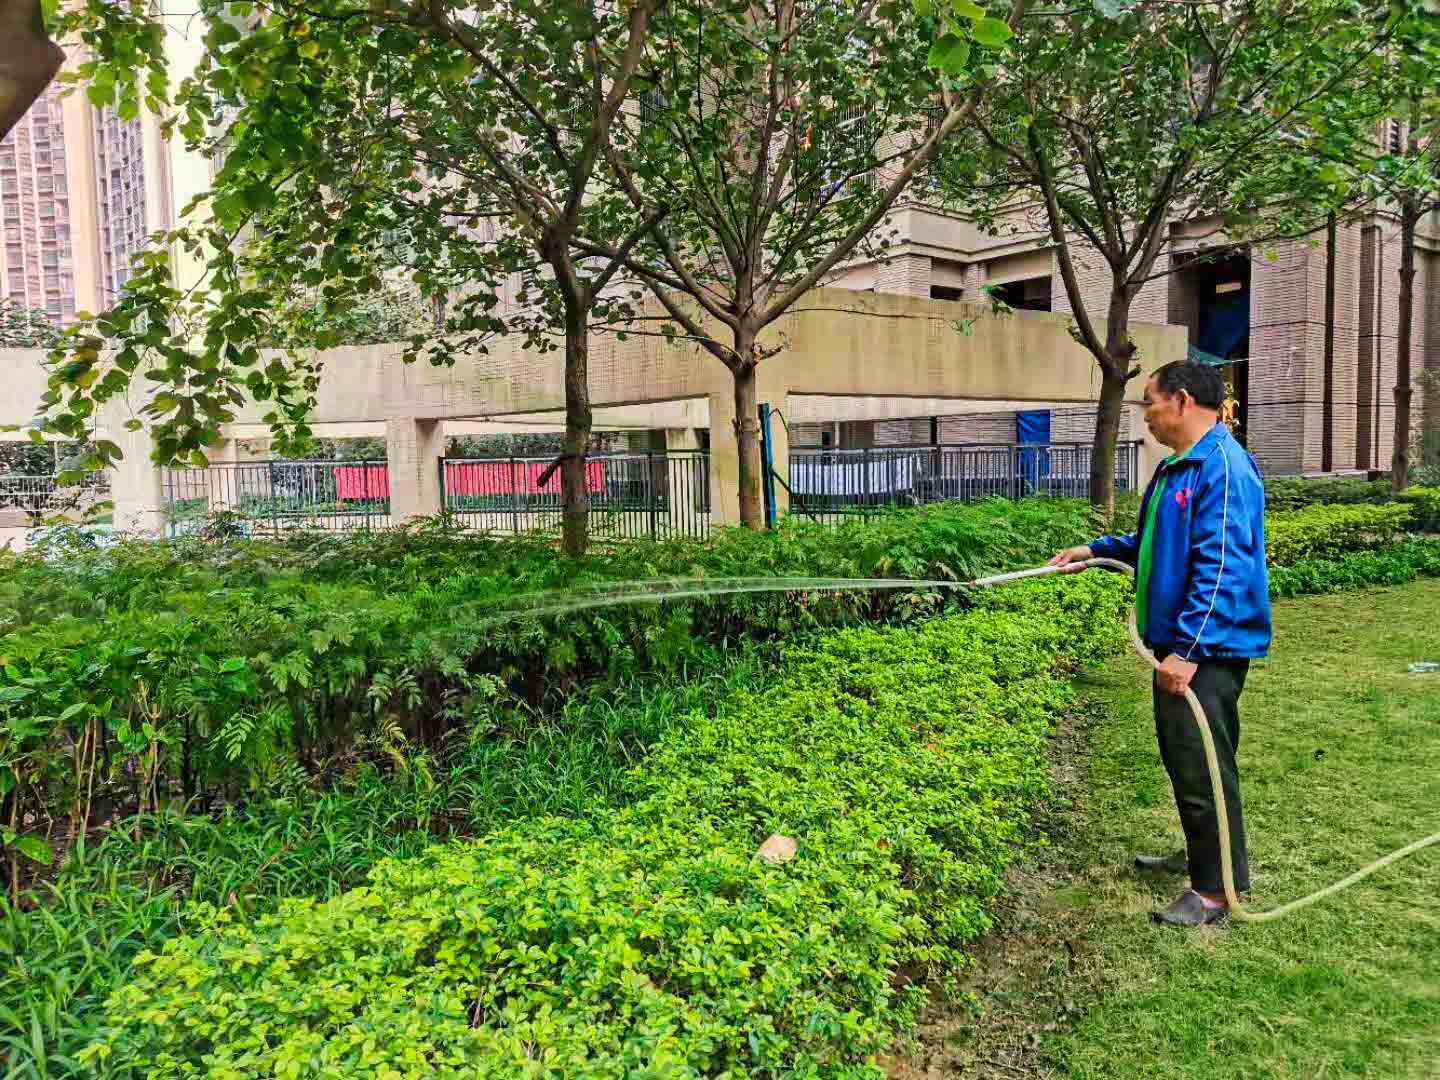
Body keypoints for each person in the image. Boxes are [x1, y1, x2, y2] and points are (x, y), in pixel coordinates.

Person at [1051, 360, 1271, 927]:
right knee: (1188, 762)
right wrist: (1094, 551)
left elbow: (1221, 569)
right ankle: (1203, 855)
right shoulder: (1178, 467)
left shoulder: (1223, 468)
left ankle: (1214, 891)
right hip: (1182, 645)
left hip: (1206, 651)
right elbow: (1152, 539)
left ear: (1182, 401)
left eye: (1149, 401)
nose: (1144, 413)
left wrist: (1188, 650)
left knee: (1201, 764)